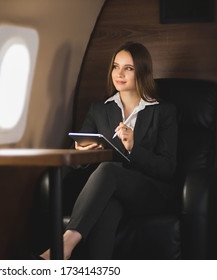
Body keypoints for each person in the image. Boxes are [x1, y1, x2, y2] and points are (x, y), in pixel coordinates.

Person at [40, 41, 177, 259]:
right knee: (108, 207)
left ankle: (65, 244)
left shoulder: (163, 112)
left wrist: (134, 147)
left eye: (128, 68)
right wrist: (81, 152)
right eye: (115, 66)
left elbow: (167, 169)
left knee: (108, 169)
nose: (119, 73)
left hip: (150, 192)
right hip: (111, 191)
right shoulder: (99, 110)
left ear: (141, 72)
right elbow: (78, 160)